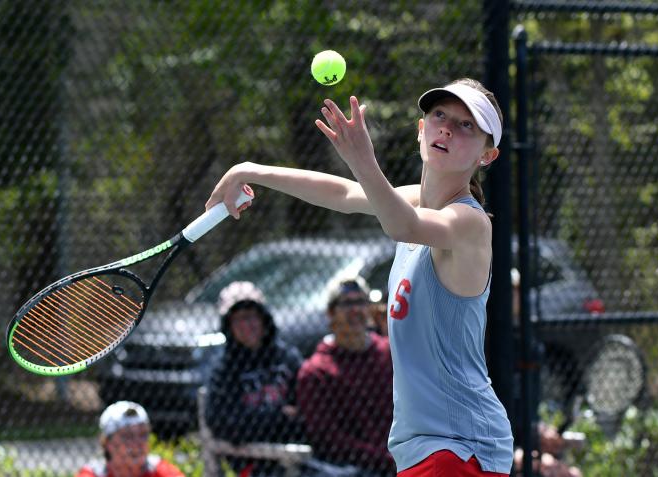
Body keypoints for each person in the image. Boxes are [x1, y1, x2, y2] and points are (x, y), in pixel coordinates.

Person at [205, 77, 513, 476]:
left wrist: (363, 160)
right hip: (425, 447)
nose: (447, 128)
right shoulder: (415, 202)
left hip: (460, 445)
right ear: (421, 130)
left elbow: (402, 225)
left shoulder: (469, 223)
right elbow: (343, 195)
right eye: (439, 115)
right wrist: (251, 170)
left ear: (487, 156)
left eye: (466, 125)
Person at [296, 276, 394, 476]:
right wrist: (383, 459)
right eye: (347, 303)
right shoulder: (316, 372)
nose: (356, 310)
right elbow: (328, 438)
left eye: (361, 302)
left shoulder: (390, 353)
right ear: (331, 313)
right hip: (354, 468)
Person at [205, 281, 305, 476]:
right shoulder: (225, 368)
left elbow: (307, 409)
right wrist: (280, 417)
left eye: (251, 317)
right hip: (251, 462)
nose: (246, 325)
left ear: (263, 318)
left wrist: (255, 420)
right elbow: (223, 423)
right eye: (238, 319)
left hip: (298, 455)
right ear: (228, 326)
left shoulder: (286, 357)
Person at [76, 401, 184, 477]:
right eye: (127, 436)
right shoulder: (93, 474)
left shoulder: (160, 470)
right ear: (106, 443)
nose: (138, 443)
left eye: (143, 434)